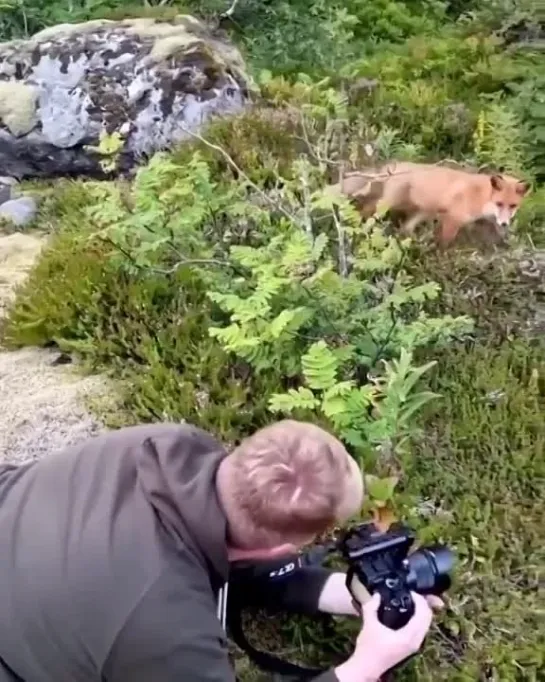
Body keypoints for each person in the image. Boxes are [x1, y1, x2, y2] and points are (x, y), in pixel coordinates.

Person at [0, 419, 440, 682]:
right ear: (288, 547)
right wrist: (363, 667)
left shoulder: (168, 445)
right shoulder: (164, 626)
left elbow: (226, 548)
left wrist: (350, 594)